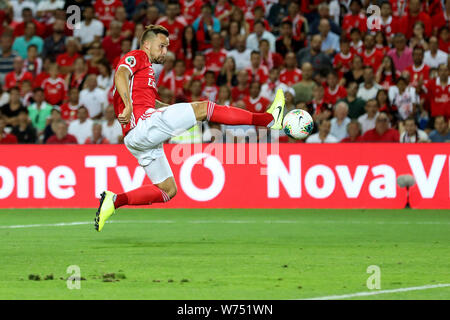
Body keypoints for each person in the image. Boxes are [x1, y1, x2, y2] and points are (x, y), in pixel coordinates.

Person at [95, 25, 286, 232]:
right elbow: (121, 74)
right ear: (147, 44)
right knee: (203, 108)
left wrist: (168, 110)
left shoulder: (146, 73)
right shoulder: (138, 55)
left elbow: (148, 101)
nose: (165, 52)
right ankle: (268, 119)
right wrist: (129, 104)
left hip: (137, 138)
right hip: (143, 125)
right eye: (161, 46)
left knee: (167, 190)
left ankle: (114, 201)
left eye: (167, 47)